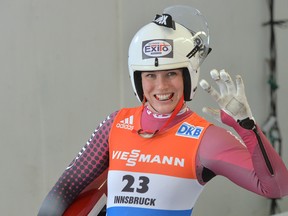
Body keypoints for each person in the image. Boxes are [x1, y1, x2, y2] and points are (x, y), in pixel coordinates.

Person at [38, 5, 288, 216]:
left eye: (171, 73)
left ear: (188, 76)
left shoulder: (205, 138)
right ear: (138, 79)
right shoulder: (117, 123)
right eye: (150, 75)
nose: (161, 86)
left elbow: (276, 187)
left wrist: (246, 127)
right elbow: (67, 187)